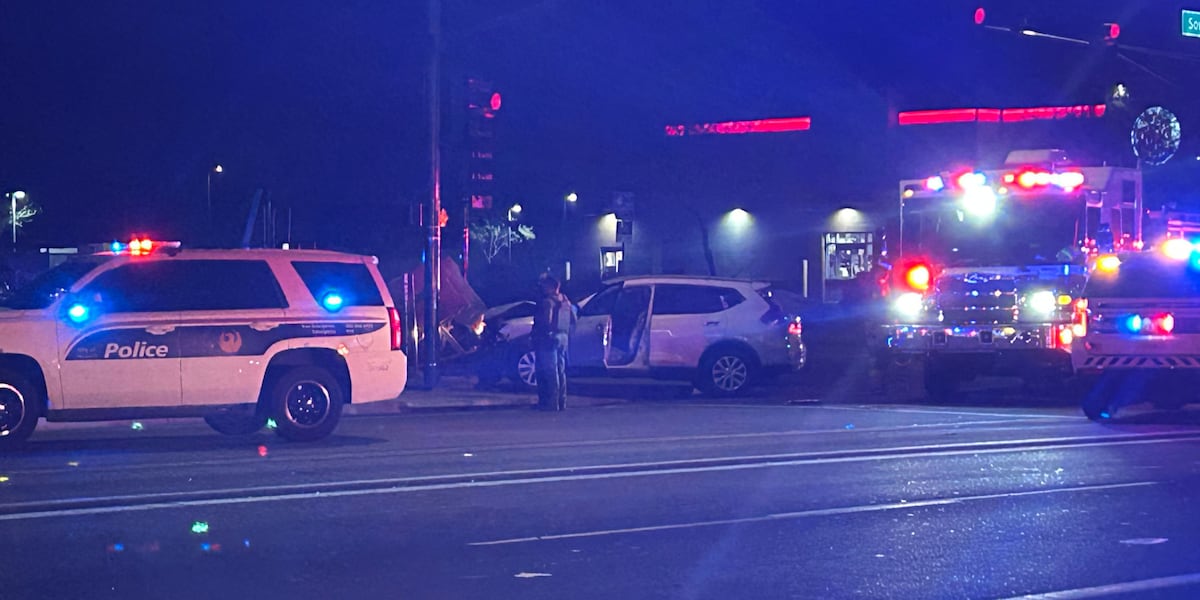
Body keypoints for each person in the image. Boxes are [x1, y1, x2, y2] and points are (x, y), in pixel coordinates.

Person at [531, 275, 575, 411]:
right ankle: (562, 401)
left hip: (548, 339)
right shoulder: (565, 301)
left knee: (549, 371)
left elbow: (545, 321)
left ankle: (550, 403)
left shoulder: (547, 302)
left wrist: (539, 334)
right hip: (563, 337)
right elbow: (573, 320)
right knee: (560, 371)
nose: (542, 288)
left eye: (544, 285)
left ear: (551, 287)